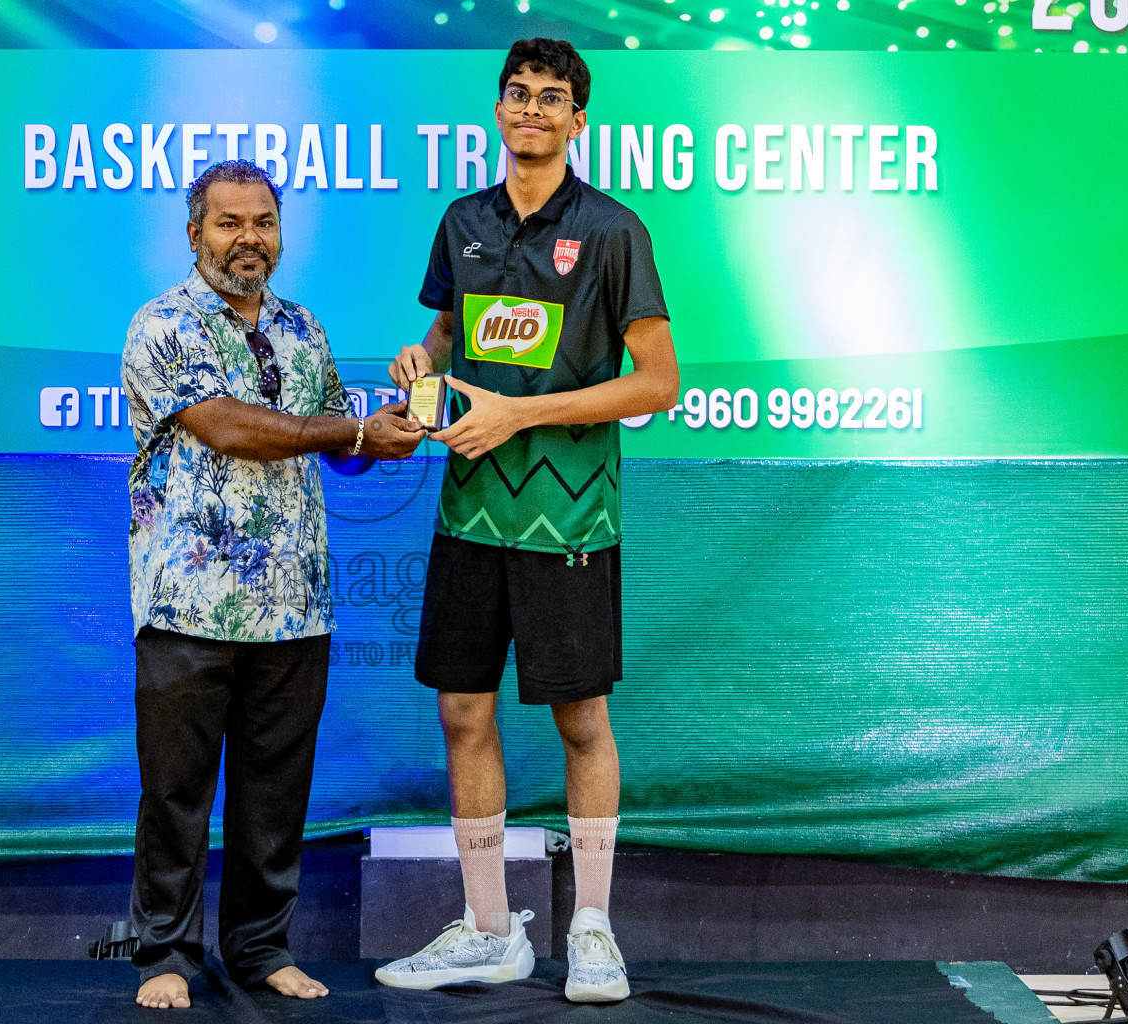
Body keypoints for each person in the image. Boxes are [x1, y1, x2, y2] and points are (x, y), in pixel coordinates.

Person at [374, 39, 680, 1003]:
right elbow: (449, 334)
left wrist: (522, 413)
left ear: (578, 120)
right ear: (498, 111)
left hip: (569, 520)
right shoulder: (462, 221)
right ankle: (488, 930)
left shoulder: (613, 231)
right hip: (468, 517)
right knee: (463, 710)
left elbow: (658, 381)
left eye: (554, 99)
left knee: (579, 718)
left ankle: (590, 927)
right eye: (518, 95)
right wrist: (420, 364)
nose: (533, 110)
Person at [122, 160, 425, 1010]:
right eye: (228, 223)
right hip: (188, 604)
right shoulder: (162, 325)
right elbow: (230, 429)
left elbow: (331, 443)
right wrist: (350, 426)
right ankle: (165, 957)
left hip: (295, 608)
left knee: (274, 797)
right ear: (195, 234)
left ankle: (259, 949)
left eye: (263, 221)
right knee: (176, 795)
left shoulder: (303, 327)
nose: (248, 238)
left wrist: (385, 431)